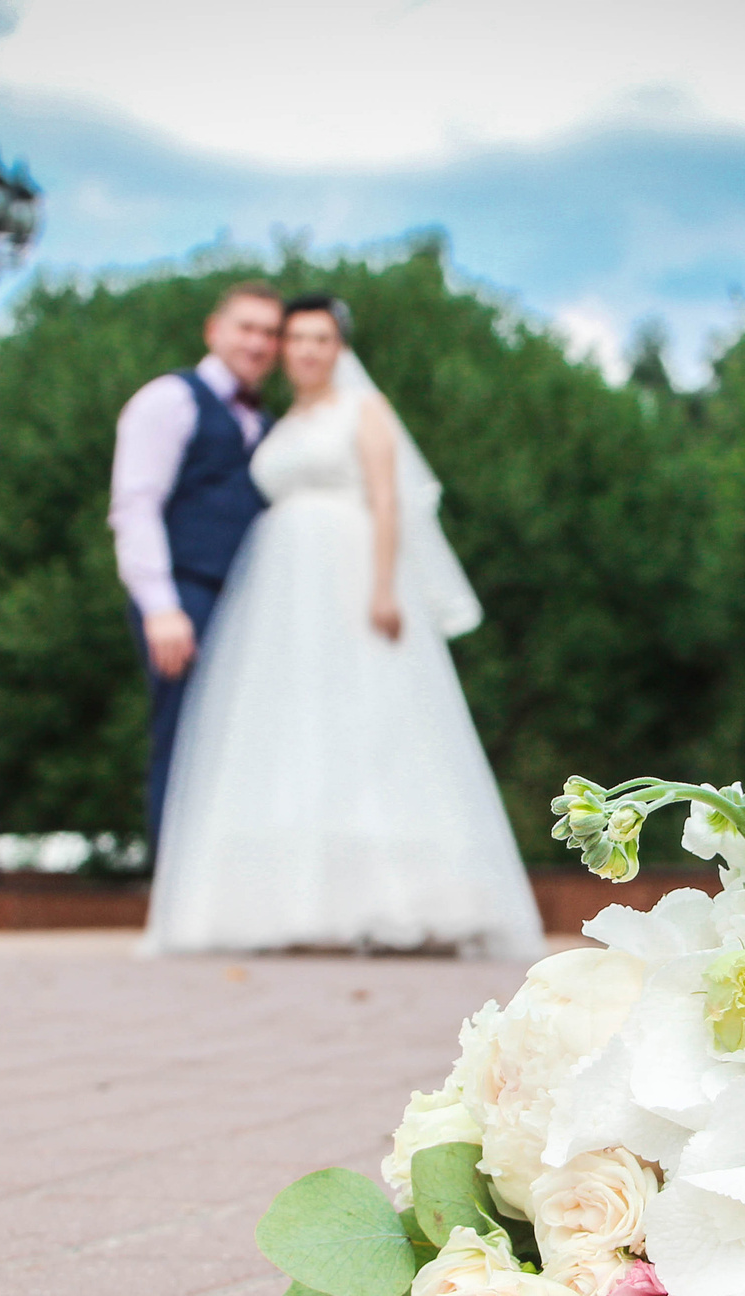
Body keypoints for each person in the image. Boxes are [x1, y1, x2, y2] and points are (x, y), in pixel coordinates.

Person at [141, 294, 546, 958]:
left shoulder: (365, 408)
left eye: (322, 338)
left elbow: (387, 498)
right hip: (279, 589)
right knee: (291, 729)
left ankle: (399, 899)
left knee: (370, 720)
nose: (307, 350)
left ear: (340, 348)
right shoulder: (281, 423)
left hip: (350, 572)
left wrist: (384, 587)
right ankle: (284, 903)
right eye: (297, 338)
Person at [107, 279, 283, 855]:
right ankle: (171, 881)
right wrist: (161, 606)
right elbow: (136, 504)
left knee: (238, 746)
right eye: (247, 328)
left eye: (270, 333)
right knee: (184, 739)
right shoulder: (170, 399)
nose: (257, 343)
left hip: (246, 604)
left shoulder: (267, 422)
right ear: (214, 330)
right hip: (186, 596)